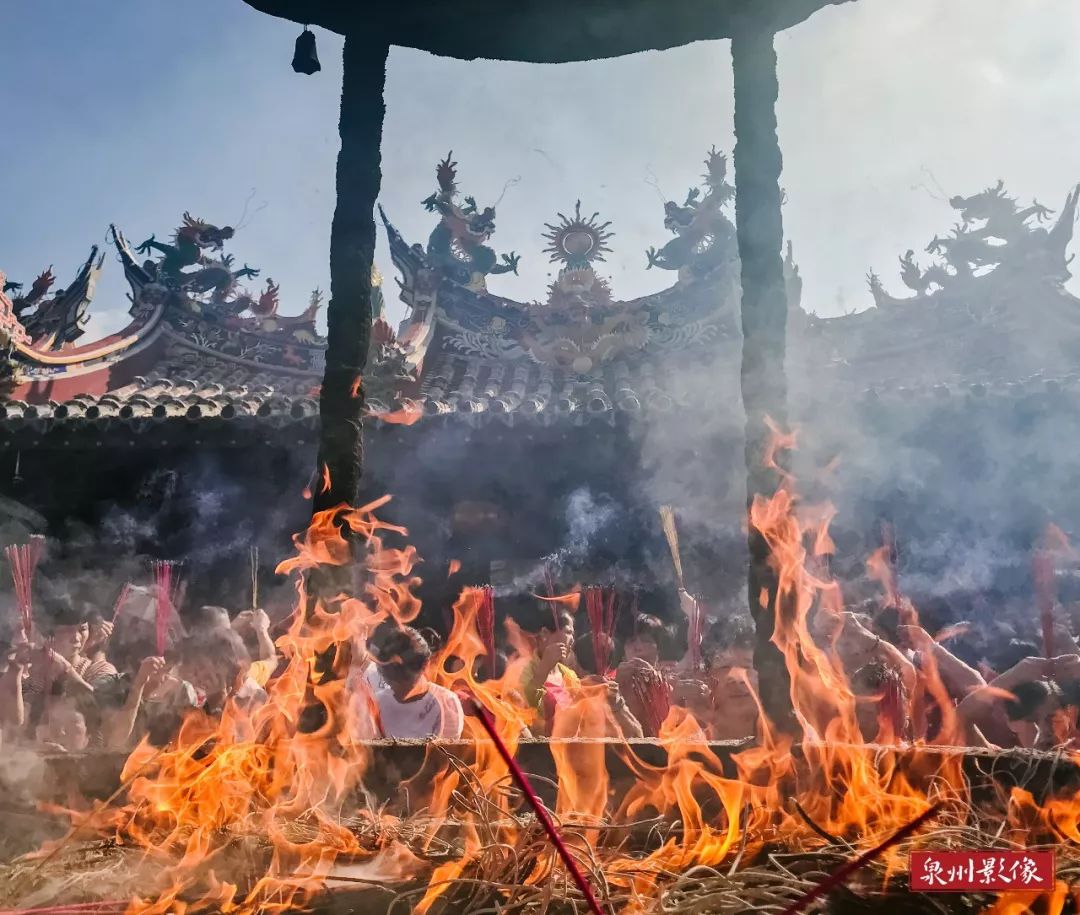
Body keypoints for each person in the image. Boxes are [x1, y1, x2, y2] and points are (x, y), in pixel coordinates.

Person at [352, 624, 464, 740]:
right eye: (391, 680)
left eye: (404, 680)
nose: (396, 687)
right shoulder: (378, 703)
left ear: (425, 666)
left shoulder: (447, 702)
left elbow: (446, 752)